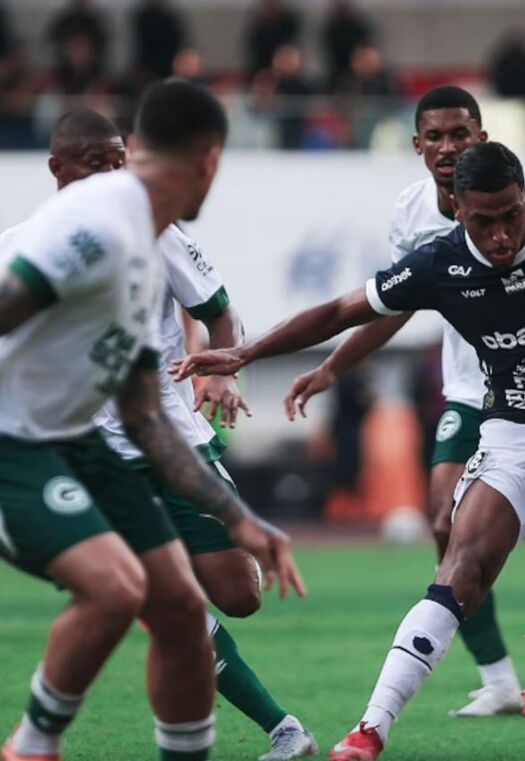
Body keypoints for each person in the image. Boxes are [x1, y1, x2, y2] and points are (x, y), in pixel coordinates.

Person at [172, 140, 525, 760]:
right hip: (517, 434)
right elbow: (340, 310)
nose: (498, 236)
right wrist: (247, 352)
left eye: (509, 216)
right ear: (457, 211)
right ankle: (369, 730)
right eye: (481, 221)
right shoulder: (440, 263)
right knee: (460, 567)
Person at [277, 85, 525, 717]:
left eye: (460, 135)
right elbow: (396, 300)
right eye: (436, 137)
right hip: (471, 392)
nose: (448, 147)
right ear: (417, 145)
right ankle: (499, 678)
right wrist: (335, 364)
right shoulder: (411, 211)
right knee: (445, 523)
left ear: (482, 139)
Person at [0, 79, 303, 761]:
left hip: (81, 441)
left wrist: (241, 517)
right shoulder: (95, 225)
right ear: (211, 161)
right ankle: (32, 745)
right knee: (117, 587)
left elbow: (144, 414)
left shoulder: (145, 246)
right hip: (18, 449)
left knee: (176, 605)